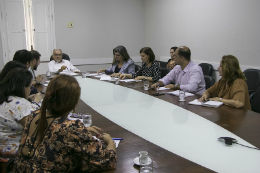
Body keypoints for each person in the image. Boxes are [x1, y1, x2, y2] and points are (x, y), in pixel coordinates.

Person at [13, 74, 117, 172]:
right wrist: (110, 142)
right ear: (75, 102)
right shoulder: (71, 128)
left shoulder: (33, 115)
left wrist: (81, 132)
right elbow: (108, 160)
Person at [0, 68, 41, 172]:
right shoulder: (20, 105)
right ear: (22, 87)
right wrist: (35, 104)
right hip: (17, 157)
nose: (30, 89)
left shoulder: (5, 99)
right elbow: (40, 128)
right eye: (30, 86)